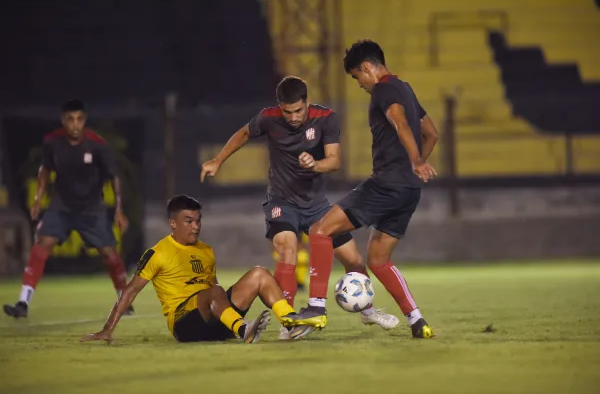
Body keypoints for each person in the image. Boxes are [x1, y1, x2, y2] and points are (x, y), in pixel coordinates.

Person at [201, 76, 399, 339]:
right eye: (287, 111)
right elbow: (244, 133)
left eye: (298, 110)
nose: (293, 117)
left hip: (317, 206)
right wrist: (218, 160)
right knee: (287, 248)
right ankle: (289, 322)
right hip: (281, 202)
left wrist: (314, 165)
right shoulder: (268, 118)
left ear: (307, 103)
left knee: (354, 260)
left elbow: (335, 161)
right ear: (279, 107)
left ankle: (368, 311)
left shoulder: (326, 118)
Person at [296, 40, 439, 338]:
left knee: (320, 231)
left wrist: (413, 160)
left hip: (386, 184)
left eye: (356, 77)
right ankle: (417, 321)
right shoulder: (406, 87)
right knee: (378, 261)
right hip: (410, 190)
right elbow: (432, 133)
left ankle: (316, 307)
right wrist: (417, 165)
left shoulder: (384, 89)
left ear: (366, 68)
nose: (359, 84)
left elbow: (399, 124)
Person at [81, 195, 320, 344]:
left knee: (259, 273)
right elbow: (130, 291)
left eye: (198, 220)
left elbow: (213, 291)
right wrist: (107, 329)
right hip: (185, 325)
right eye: (188, 221)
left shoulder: (206, 250)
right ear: (172, 223)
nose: (196, 226)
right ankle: (243, 329)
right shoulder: (158, 252)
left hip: (216, 318)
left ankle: (290, 323)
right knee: (213, 291)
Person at [3, 99, 131, 319]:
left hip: (92, 209)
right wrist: (37, 199)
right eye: (70, 119)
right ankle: (23, 302)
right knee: (42, 245)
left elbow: (114, 177)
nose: (75, 124)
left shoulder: (97, 144)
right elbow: (44, 170)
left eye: (79, 119)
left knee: (110, 255)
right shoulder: (52, 142)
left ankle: (125, 300)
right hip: (61, 207)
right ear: (63, 120)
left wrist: (119, 209)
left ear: (84, 120)